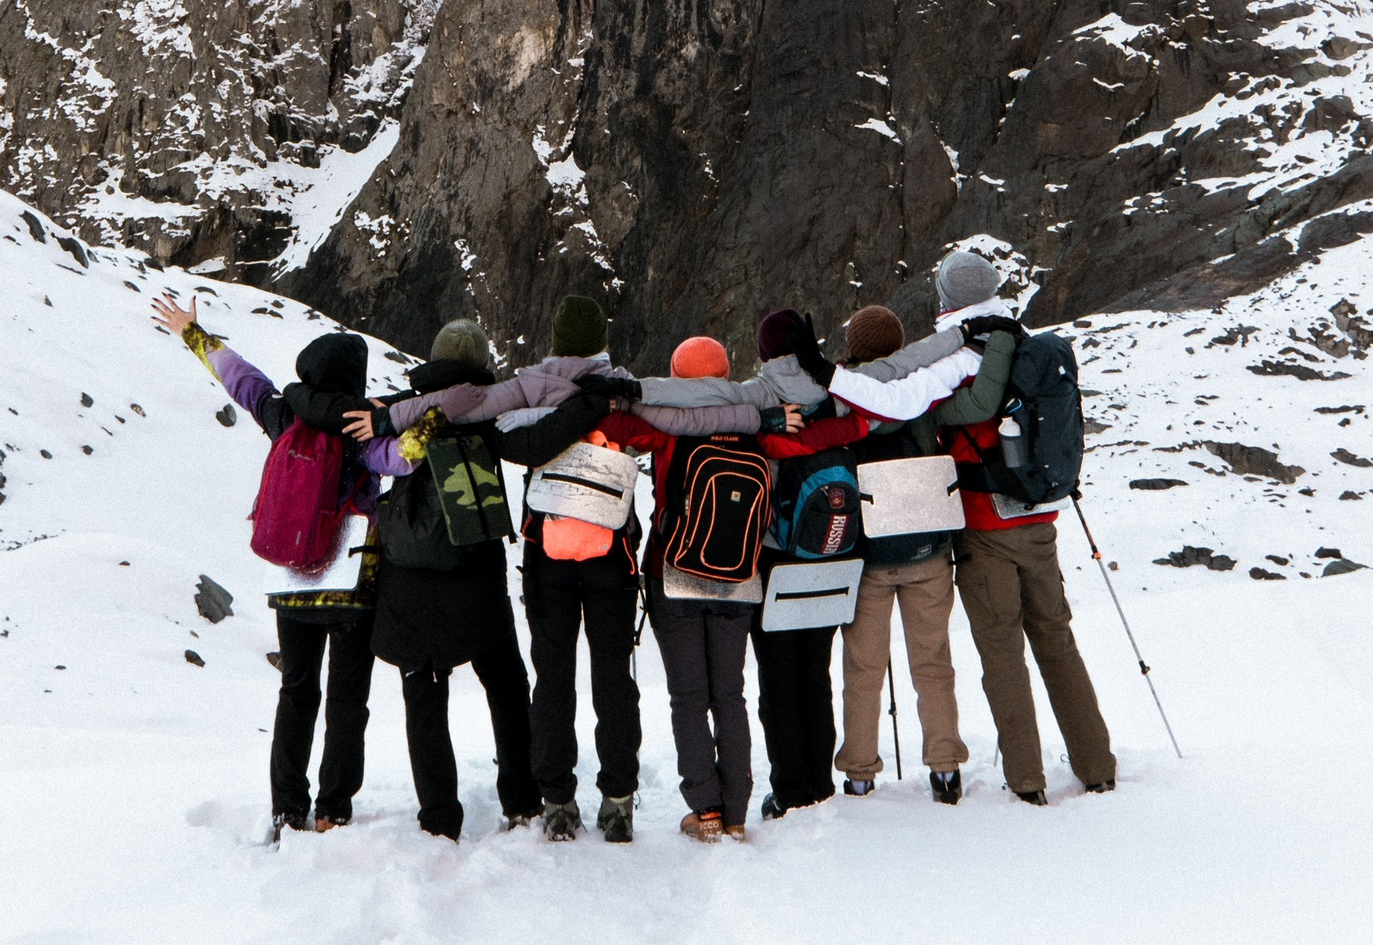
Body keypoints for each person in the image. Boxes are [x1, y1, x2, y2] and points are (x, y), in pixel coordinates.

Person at [356, 315, 606, 842]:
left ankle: (440, 820)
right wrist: (592, 400)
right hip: (474, 575)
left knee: (423, 697)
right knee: (507, 685)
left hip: (408, 578)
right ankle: (520, 800)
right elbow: (538, 441)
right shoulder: (488, 406)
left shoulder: (402, 410)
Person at [150, 289, 379, 840]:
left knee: (297, 692)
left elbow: (242, 380)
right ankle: (333, 809)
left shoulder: (285, 416)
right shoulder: (367, 428)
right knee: (347, 699)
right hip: (351, 582)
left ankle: (286, 807)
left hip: (292, 578)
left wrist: (194, 335)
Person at [925, 247, 1117, 805]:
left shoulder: (961, 352)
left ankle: (1028, 779)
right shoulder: (1030, 345)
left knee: (1002, 651)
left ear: (946, 300)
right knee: (1057, 641)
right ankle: (1096, 765)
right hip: (1039, 519)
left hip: (985, 527)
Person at [591, 335, 800, 843]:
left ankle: (703, 810)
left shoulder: (665, 426)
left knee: (688, 697)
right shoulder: (755, 418)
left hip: (676, 570)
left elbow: (610, 425)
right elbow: (804, 443)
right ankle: (735, 812)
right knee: (730, 695)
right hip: (739, 576)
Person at [828, 302, 1017, 805]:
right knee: (932, 661)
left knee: (862, 667)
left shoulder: (844, 396)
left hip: (866, 552)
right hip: (927, 545)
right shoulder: (923, 393)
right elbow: (974, 408)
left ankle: (860, 771)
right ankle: (945, 767)